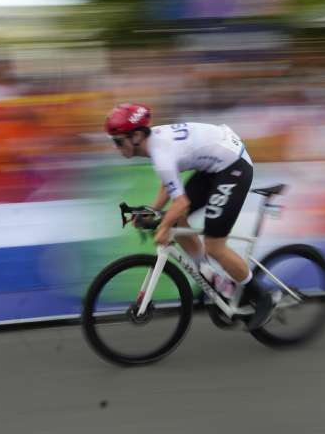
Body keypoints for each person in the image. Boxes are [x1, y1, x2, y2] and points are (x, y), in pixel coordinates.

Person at [105, 102, 276, 329]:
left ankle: (262, 295)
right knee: (174, 218)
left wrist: (163, 228)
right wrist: (153, 212)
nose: (117, 147)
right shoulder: (154, 145)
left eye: (118, 141)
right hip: (213, 166)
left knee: (214, 245)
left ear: (136, 136)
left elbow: (181, 201)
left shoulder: (159, 153)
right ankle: (212, 279)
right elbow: (169, 184)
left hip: (233, 166)